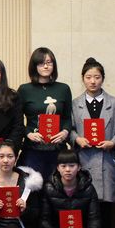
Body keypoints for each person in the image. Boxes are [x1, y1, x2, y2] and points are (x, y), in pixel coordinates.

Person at [70, 57, 115, 228]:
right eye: (88, 77)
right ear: (83, 79)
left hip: (105, 163)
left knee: (104, 212)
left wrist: (113, 142)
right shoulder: (75, 104)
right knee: (84, 210)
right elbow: (69, 129)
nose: (93, 81)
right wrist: (77, 139)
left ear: (103, 78)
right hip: (83, 163)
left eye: (97, 77)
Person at [18, 48, 73, 183]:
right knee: (32, 189)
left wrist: (65, 132)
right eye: (41, 63)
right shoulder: (24, 90)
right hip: (33, 149)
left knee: (56, 187)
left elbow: (67, 117)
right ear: (34, 66)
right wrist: (28, 134)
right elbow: (17, 121)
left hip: (57, 149)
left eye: (49, 62)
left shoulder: (64, 89)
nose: (46, 66)